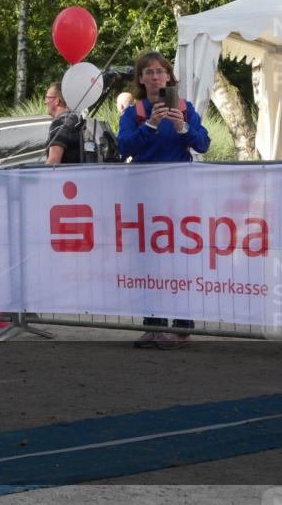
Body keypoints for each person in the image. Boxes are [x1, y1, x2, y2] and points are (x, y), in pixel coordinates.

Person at [118, 50, 210, 350]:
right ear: (141, 80)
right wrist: (151, 126)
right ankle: (153, 325)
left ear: (169, 77)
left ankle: (182, 328)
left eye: (160, 71)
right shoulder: (135, 113)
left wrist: (182, 127)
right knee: (148, 260)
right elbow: (123, 147)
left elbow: (203, 143)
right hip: (145, 198)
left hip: (179, 199)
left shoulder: (184, 108)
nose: (155, 76)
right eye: (148, 72)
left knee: (180, 260)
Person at [44, 82, 82, 165]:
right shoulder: (75, 119)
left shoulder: (60, 122)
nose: (45, 102)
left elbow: (54, 161)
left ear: (57, 101)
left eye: (47, 98)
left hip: (64, 177)